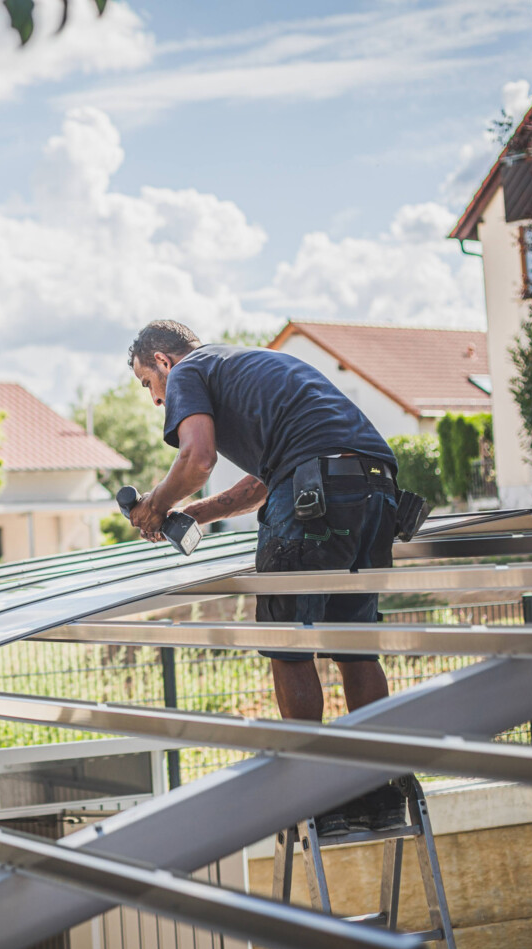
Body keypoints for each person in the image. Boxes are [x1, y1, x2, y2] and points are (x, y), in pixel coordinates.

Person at [124, 319, 404, 834]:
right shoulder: (249, 366)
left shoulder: (188, 372)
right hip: (375, 493)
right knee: (355, 645)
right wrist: (193, 516)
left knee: (288, 644)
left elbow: (198, 457)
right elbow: (262, 482)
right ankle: (381, 794)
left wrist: (155, 505)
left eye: (148, 383)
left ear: (162, 361)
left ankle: (313, 795)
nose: (156, 400)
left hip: (313, 499)